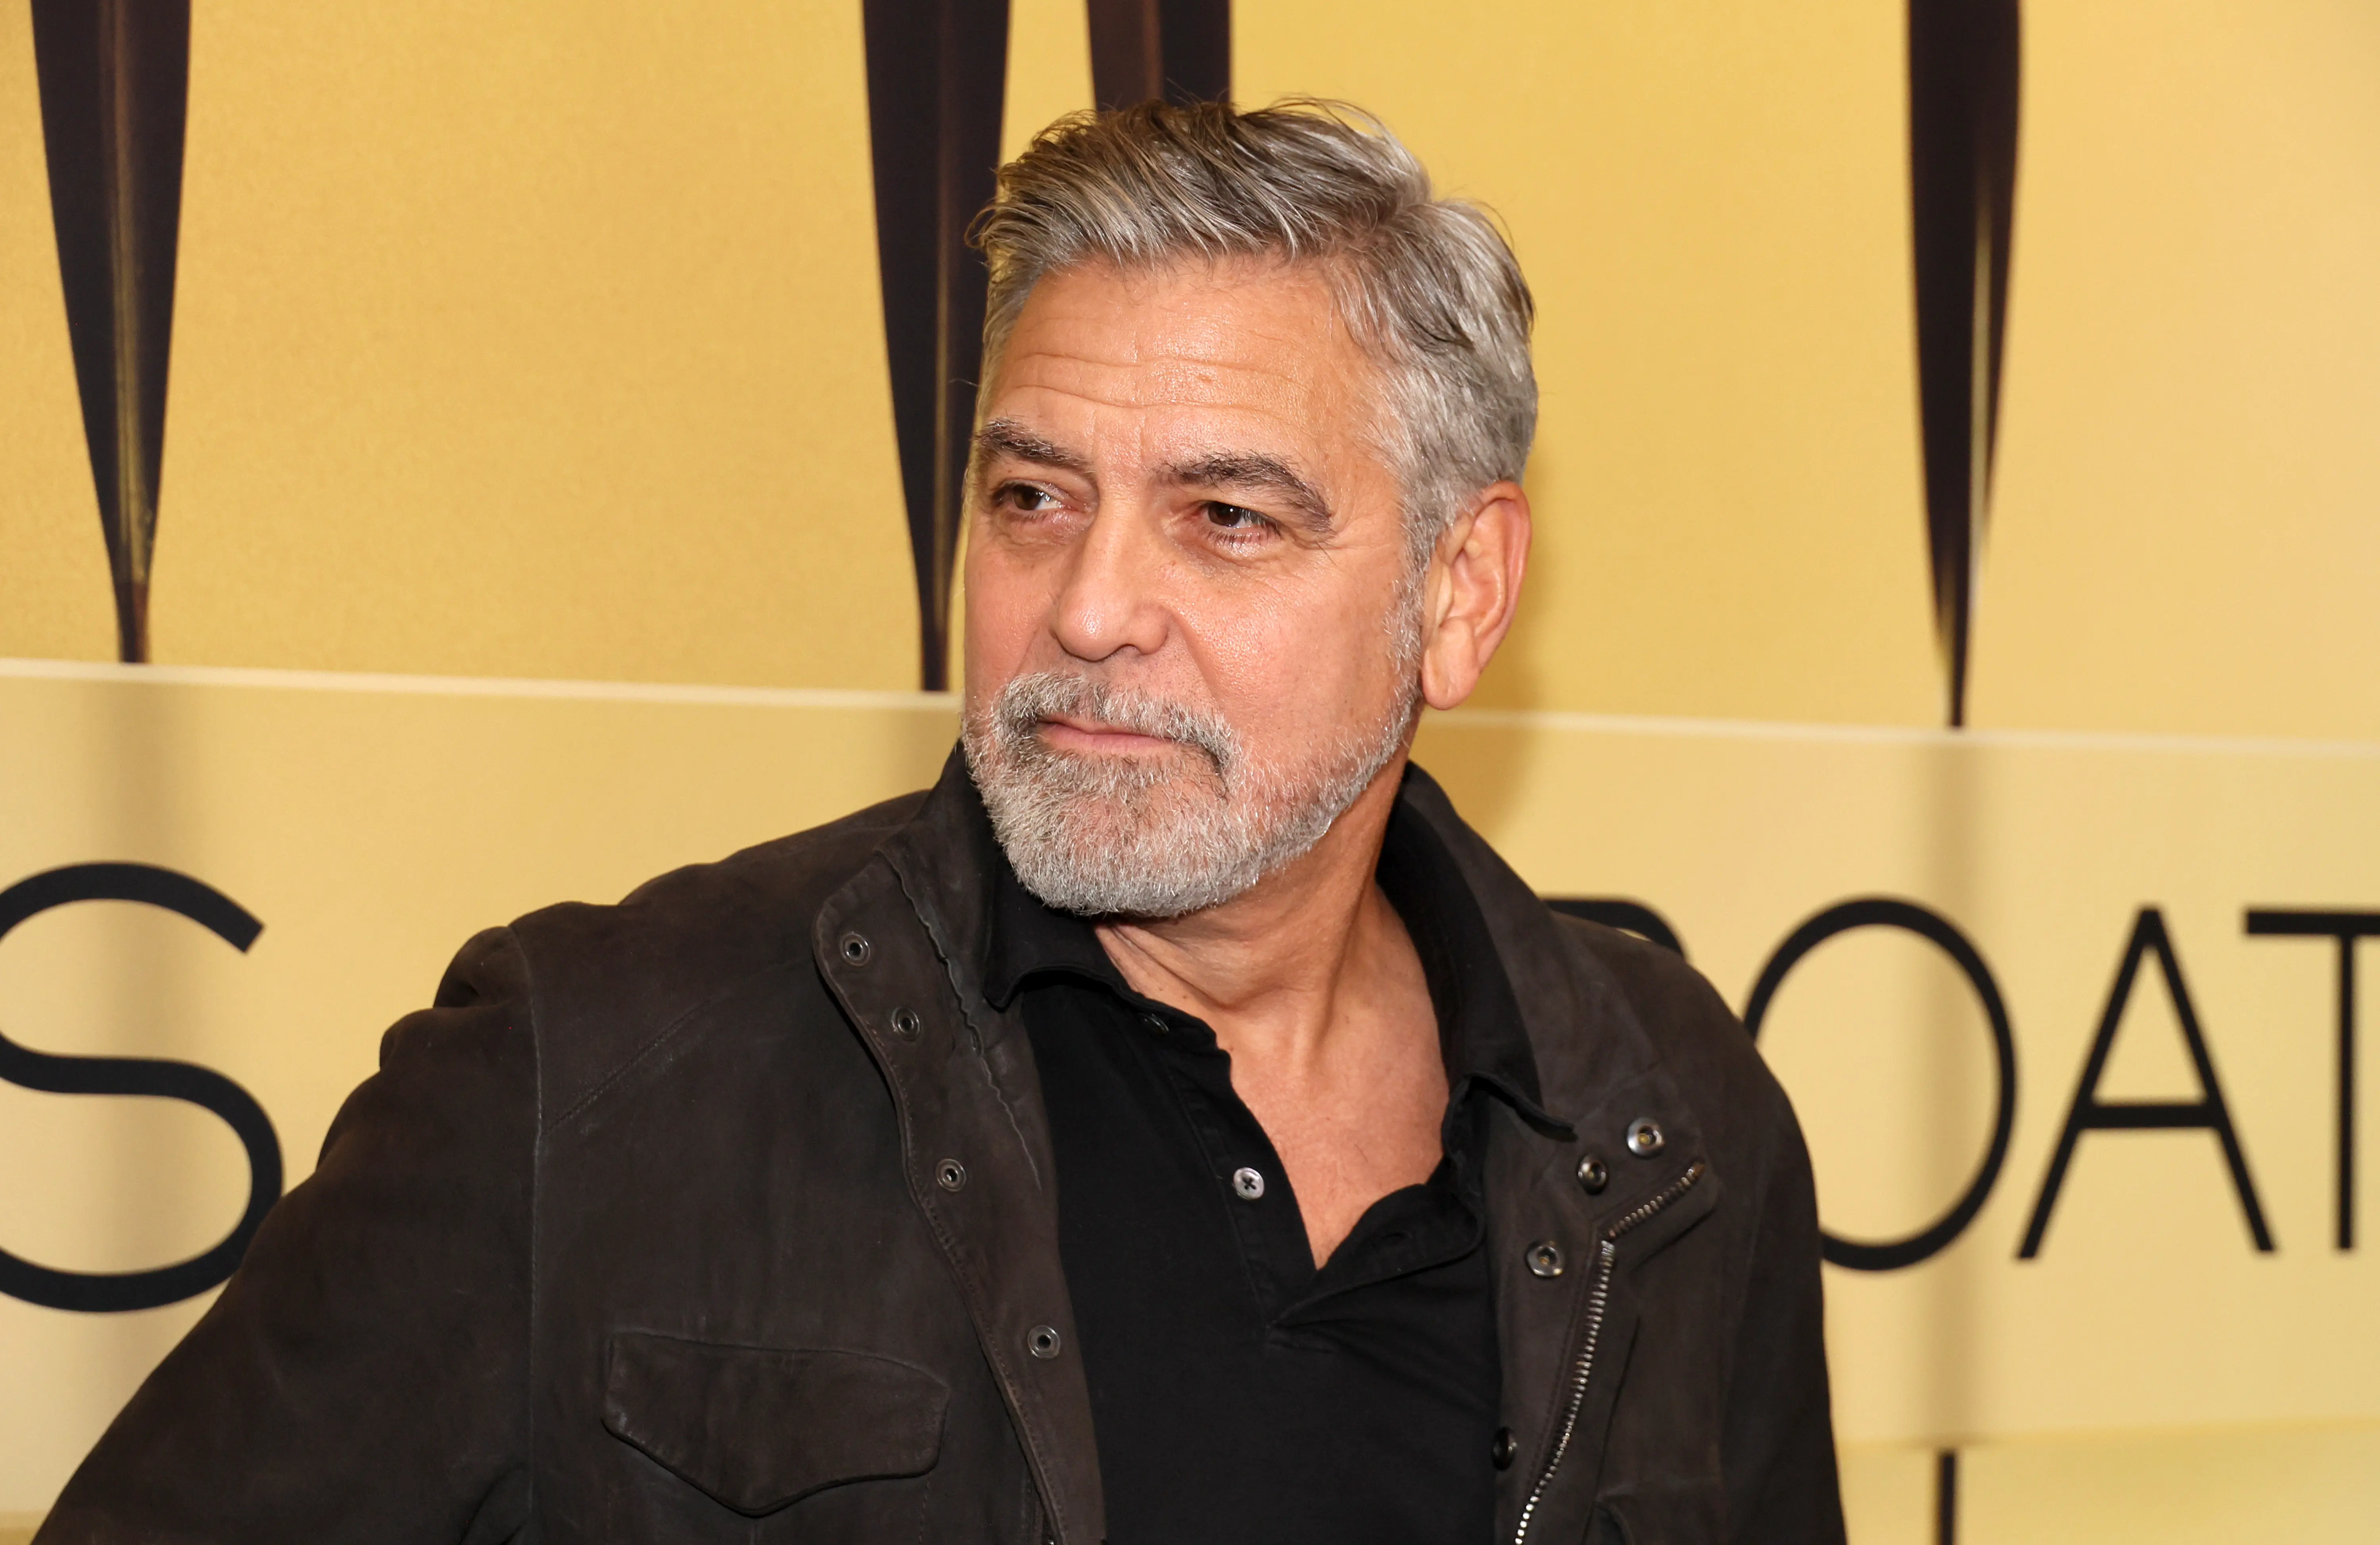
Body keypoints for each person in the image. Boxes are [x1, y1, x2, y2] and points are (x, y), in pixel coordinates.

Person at [39, 100, 1842, 1545]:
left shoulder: (1671, 1121)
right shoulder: (579, 1079)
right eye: (1033, 493)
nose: (1088, 606)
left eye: (1225, 517)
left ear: (1460, 590)